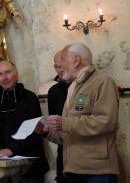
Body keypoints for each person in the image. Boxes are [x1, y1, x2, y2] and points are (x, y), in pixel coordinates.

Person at [36, 43, 119, 183]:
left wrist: (64, 122)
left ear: (76, 61)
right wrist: (46, 132)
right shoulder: (73, 88)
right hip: (73, 171)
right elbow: (67, 134)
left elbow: (106, 122)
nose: (59, 66)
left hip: (98, 172)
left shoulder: (103, 82)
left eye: (63, 59)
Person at [0, 60, 49, 183]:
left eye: (8, 72)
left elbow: (34, 130)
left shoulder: (29, 98)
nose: (4, 77)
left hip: (28, 168)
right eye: (0, 74)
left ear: (16, 74)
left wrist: (11, 150)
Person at [47, 51, 70, 183]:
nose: (59, 70)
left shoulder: (88, 87)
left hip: (89, 154)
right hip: (64, 153)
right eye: (56, 66)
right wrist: (45, 131)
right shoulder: (54, 92)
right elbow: (55, 129)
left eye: (61, 66)